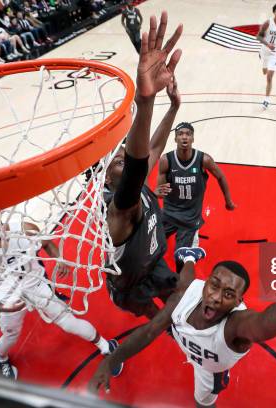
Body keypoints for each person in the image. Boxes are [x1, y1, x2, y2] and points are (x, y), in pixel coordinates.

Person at [89, 247, 276, 407]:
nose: (215, 296)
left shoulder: (236, 325)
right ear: (207, 282)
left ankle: (188, 255)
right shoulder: (187, 295)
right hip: (187, 325)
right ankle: (189, 255)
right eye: (214, 285)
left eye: (228, 294)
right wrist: (111, 358)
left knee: (204, 402)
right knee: (183, 281)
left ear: (238, 301)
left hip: (206, 367)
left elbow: (264, 325)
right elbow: (148, 331)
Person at [0, 212, 122, 380]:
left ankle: (106, 346)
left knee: (69, 323)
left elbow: (47, 244)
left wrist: (60, 259)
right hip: (9, 297)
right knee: (10, 336)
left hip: (37, 285)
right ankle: (1, 360)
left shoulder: (24, 229)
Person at [102, 11, 183, 319]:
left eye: (122, 149)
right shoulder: (119, 209)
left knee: (176, 305)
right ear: (106, 179)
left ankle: (177, 326)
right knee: (157, 320)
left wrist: (173, 108)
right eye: (114, 159)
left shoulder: (133, 183)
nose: (121, 152)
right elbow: (136, 167)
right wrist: (145, 101)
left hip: (155, 263)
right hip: (132, 285)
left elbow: (154, 147)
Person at [156, 121, 235, 270]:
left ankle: (182, 287)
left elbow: (221, 176)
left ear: (193, 138)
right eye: (180, 134)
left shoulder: (203, 159)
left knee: (182, 260)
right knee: (151, 246)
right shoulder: (166, 160)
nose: (184, 137)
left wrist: (228, 201)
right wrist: (157, 191)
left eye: (188, 134)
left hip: (190, 218)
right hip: (168, 214)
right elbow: (160, 192)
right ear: (175, 139)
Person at [256, 2, 276, 109]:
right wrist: (268, 44)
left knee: (269, 77)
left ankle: (266, 100)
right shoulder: (267, 23)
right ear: (274, 12)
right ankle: (264, 65)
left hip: (274, 54)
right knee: (264, 72)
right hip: (264, 50)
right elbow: (258, 37)